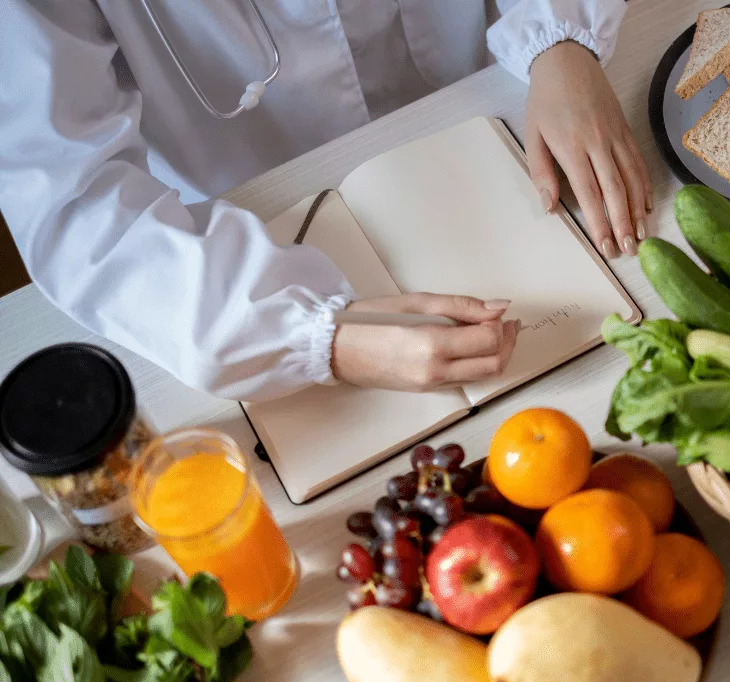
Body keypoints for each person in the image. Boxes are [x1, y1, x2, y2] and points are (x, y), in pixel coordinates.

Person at [0, 0, 650, 402]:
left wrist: (562, 36)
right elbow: (71, 201)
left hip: (502, 92)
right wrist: (307, 339)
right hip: (246, 236)